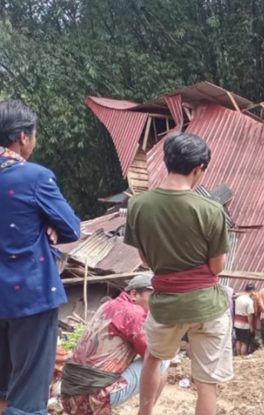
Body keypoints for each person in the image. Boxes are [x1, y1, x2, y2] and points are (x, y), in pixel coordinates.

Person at [124, 132, 233, 415]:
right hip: (207, 305)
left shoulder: (138, 205)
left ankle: (145, 412)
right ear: (199, 169)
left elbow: (145, 259)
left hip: (165, 305)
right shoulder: (211, 210)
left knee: (153, 358)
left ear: (167, 162)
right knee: (206, 382)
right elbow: (217, 267)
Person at [0, 100, 81, 415]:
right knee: (29, 395)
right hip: (29, 297)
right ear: (22, 137)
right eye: (34, 137)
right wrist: (49, 223)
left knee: (3, 388)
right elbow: (72, 227)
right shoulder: (33, 177)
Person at [61, 275, 169, 414]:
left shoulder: (108, 305)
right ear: (134, 294)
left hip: (70, 395)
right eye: (153, 297)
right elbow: (152, 351)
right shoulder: (133, 312)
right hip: (94, 397)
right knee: (162, 358)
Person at [234, 283, 257, 356]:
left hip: (237, 323)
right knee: (244, 342)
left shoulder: (238, 298)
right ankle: (242, 356)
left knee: (238, 340)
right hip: (245, 324)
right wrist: (251, 327)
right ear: (252, 291)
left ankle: (237, 355)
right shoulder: (249, 301)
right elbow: (250, 315)